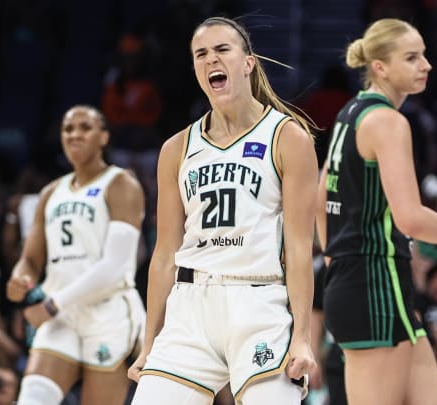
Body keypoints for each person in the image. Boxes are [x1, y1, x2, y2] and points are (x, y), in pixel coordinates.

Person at [128, 16, 318, 405]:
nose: (211, 60)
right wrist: (149, 342)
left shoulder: (287, 137)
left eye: (221, 50)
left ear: (248, 63)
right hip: (190, 305)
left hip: (259, 301)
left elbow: (299, 248)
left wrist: (302, 336)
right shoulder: (176, 148)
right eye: (201, 54)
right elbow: (164, 253)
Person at [315, 18, 437, 405]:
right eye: (411, 58)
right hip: (374, 284)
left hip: (368, 283)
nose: (426, 65)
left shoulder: (350, 115)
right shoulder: (387, 121)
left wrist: (334, 257)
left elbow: (320, 193)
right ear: (380, 67)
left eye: (424, 55)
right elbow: (410, 218)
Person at [6, 105, 146, 405]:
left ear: (104, 137)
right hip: (61, 316)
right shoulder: (50, 193)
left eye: (85, 127)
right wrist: (21, 277)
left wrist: (52, 304)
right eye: (68, 129)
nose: (75, 135)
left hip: (106, 313)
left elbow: (115, 267)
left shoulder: (121, 184)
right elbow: (31, 259)